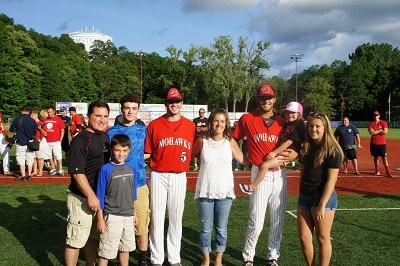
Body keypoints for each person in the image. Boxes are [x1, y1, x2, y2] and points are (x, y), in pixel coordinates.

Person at [231, 84, 298, 266]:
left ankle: (273, 256)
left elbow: (296, 145)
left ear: (274, 99)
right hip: (259, 172)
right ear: (258, 99)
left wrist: (295, 154)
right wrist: (242, 158)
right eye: (262, 98)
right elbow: (232, 138)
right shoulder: (247, 119)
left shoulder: (283, 123)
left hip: (279, 174)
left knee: (278, 219)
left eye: (269, 97)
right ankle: (248, 257)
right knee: (256, 220)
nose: (265, 101)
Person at [144, 87, 196, 266]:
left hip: (179, 175)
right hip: (158, 174)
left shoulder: (191, 126)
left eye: (177, 101)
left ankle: (174, 258)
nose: (173, 104)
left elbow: (198, 148)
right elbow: (147, 152)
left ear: (181, 104)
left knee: (175, 218)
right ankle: (157, 259)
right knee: (157, 218)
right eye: (170, 101)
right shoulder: (154, 125)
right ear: (165, 104)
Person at [192, 108, 247, 266]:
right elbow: (188, 155)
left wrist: (261, 151)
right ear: (210, 122)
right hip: (205, 191)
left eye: (222, 121)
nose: (219, 124)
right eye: (216, 120)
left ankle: (218, 260)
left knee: (221, 228)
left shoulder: (229, 141)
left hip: (225, 192)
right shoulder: (202, 140)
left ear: (226, 124)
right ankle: (206, 259)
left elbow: (243, 160)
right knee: (205, 228)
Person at [64, 100, 111, 266]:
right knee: (75, 239)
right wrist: (91, 195)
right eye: (98, 115)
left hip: (98, 196)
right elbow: (77, 173)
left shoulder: (105, 137)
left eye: (105, 116)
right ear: (88, 117)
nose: (102, 119)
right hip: (81, 198)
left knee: (93, 237)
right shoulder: (80, 140)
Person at [107, 93, 150, 266]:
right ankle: (120, 260)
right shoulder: (111, 133)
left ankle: (143, 260)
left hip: (139, 184)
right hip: (117, 185)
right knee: (118, 226)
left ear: (138, 110)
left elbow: (150, 151)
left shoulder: (144, 130)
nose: (130, 111)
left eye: (134, 108)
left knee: (141, 226)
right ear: (121, 109)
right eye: (127, 108)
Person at [297, 112, 343, 266]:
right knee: (304, 238)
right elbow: (304, 169)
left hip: (323, 197)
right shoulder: (307, 147)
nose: (313, 129)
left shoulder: (333, 150)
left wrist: (322, 204)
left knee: (322, 237)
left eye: (317, 126)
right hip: (305, 196)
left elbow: (332, 179)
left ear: (325, 128)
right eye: (310, 126)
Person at [239, 101, 305, 194]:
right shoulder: (289, 124)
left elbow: (289, 142)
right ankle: (252, 186)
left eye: (293, 112)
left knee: (264, 166)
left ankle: (251, 187)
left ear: (299, 114)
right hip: (283, 153)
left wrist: (274, 152)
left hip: (285, 154)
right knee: (265, 166)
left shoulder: (299, 125)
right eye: (288, 112)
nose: (290, 114)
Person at [96, 134, 138, 266]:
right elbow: (100, 196)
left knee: (125, 248)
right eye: (118, 150)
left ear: (129, 150)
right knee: (106, 251)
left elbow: (133, 193)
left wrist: (134, 213)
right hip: (112, 216)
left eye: (124, 150)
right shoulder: (105, 169)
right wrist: (100, 219)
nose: (121, 154)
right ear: (112, 150)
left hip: (128, 216)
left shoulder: (132, 169)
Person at [9, 106, 37, 181]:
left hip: (20, 141)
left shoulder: (17, 119)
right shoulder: (32, 120)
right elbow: (35, 132)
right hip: (30, 142)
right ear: (28, 111)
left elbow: (11, 129)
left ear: (22, 111)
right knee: (30, 159)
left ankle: (23, 175)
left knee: (21, 158)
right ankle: (30, 175)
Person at [368, 111, 393, 178]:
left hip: (382, 143)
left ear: (379, 116)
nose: (376, 116)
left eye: (377, 115)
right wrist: (379, 130)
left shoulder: (383, 122)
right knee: (375, 157)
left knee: (384, 157)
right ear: (373, 116)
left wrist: (375, 131)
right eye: (375, 115)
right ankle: (377, 171)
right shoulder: (371, 123)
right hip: (374, 143)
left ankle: (388, 172)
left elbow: (385, 132)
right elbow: (371, 133)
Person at [44, 107, 66, 176]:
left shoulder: (58, 119)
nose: (49, 113)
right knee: (49, 155)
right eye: (48, 112)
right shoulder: (45, 120)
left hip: (56, 141)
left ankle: (60, 169)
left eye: (50, 112)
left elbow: (62, 130)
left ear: (54, 111)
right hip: (47, 141)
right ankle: (53, 168)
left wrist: (60, 140)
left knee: (58, 155)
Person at [30, 110, 52, 177]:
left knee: (40, 158)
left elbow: (46, 134)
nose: (31, 117)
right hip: (33, 141)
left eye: (32, 116)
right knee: (33, 157)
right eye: (30, 116)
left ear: (36, 115)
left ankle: (40, 171)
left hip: (40, 141)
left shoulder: (42, 123)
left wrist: (40, 129)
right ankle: (35, 171)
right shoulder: (31, 123)